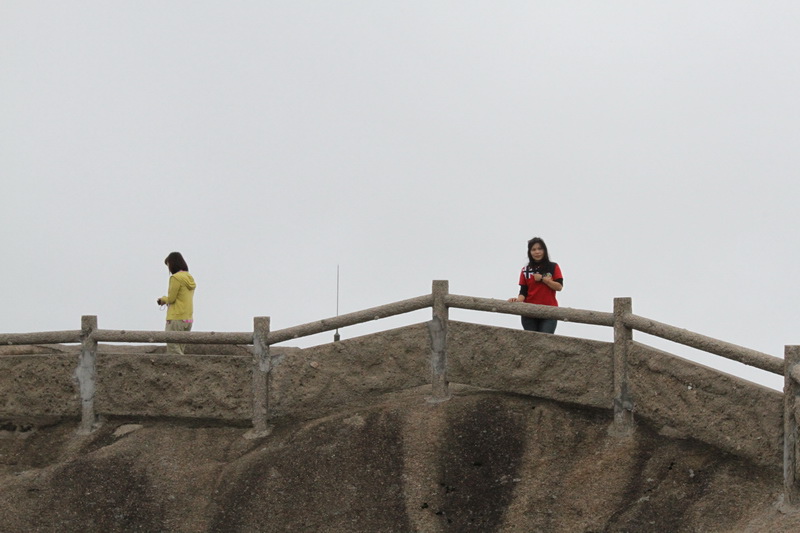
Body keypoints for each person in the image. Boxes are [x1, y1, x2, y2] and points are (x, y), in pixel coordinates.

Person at [508, 237, 563, 333]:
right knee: (531, 340)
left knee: (545, 339)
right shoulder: (526, 270)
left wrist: (543, 279)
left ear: (544, 250)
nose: (537, 252)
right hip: (529, 311)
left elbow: (559, 287)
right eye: (533, 249)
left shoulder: (553, 266)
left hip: (549, 310)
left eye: (540, 249)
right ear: (530, 252)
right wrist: (517, 300)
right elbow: (523, 292)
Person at [157, 252, 196, 354]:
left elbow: (171, 299)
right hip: (188, 318)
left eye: (168, 265)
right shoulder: (189, 277)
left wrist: (163, 299)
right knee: (180, 347)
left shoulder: (175, 278)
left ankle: (181, 364)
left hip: (176, 318)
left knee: (173, 348)